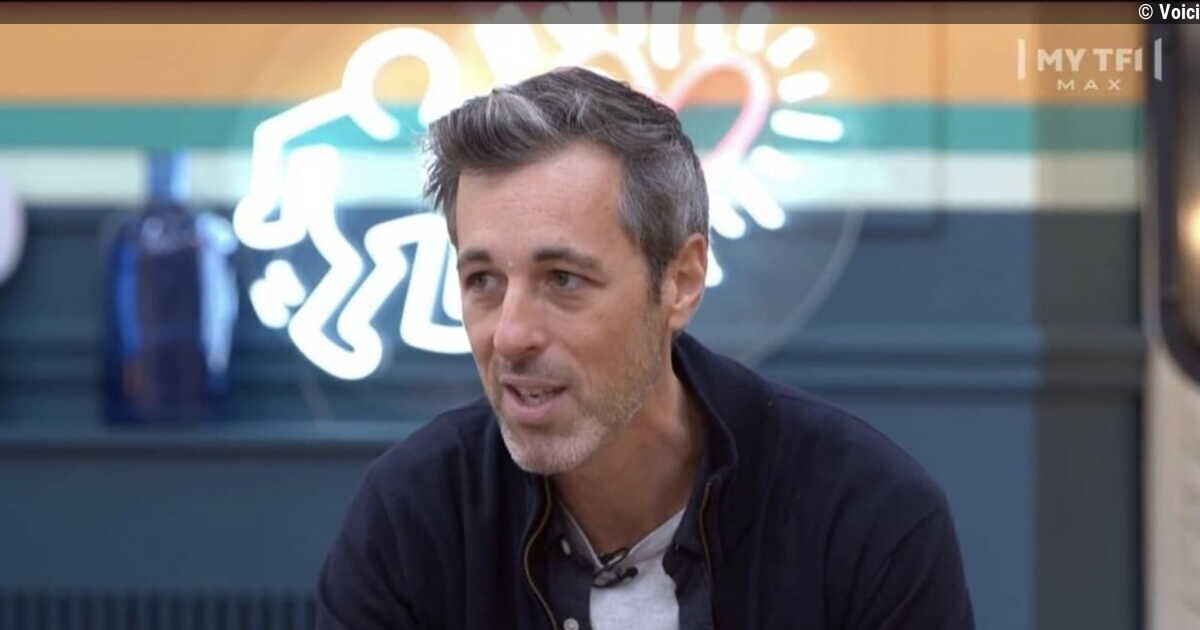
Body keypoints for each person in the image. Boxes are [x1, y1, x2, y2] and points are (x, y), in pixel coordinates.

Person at [316, 66, 975, 630]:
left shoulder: (864, 515)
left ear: (681, 281)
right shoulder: (414, 516)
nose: (511, 335)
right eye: (483, 280)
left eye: (563, 279)